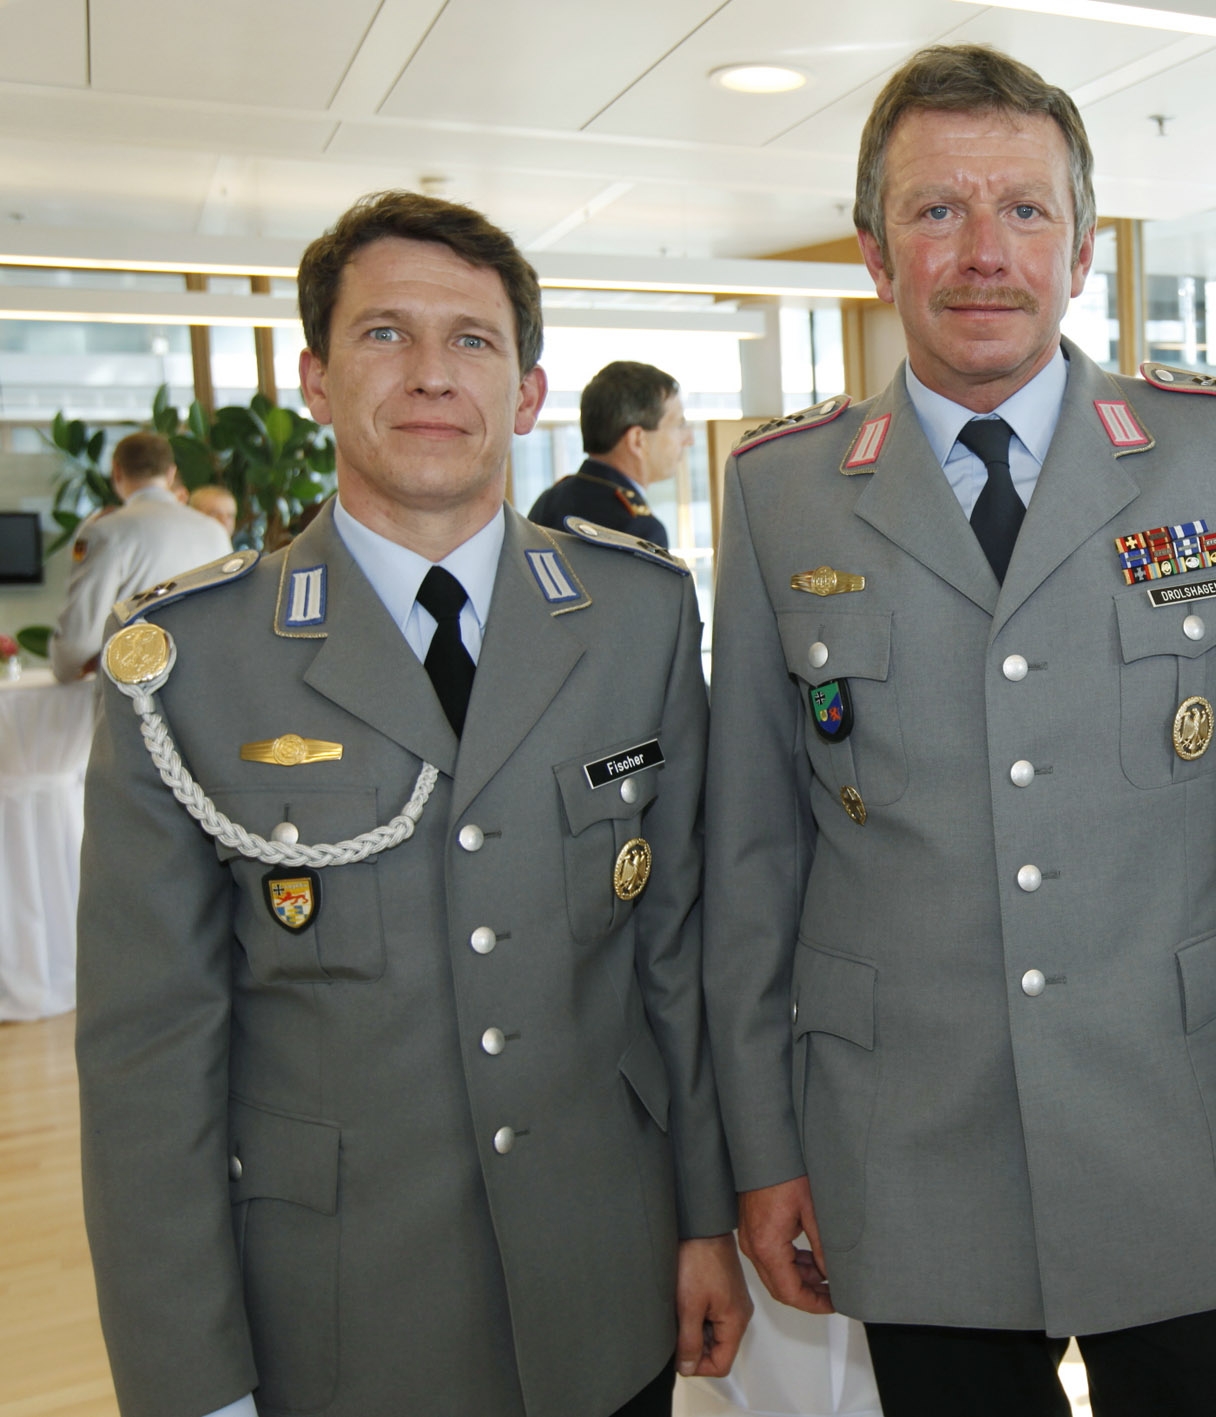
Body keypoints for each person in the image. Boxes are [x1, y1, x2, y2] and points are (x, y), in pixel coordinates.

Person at [704, 44, 1216, 1417]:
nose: (983, 252)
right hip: (906, 1137)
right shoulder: (783, 494)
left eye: (1024, 209)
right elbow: (748, 858)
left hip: (1182, 1120)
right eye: (936, 209)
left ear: (1080, 250)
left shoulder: (1213, 455)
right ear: (873, 249)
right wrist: (760, 1141)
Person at [74, 190, 750, 1417]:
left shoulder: (638, 617)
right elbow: (148, 1061)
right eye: (385, 334)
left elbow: (672, 954)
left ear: (527, 394)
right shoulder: (190, 662)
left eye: (471, 340)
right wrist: (189, 1384)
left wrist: (706, 1217)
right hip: (340, 1322)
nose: (432, 373)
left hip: (603, 1287)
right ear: (317, 380)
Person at [49, 431, 231, 679]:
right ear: (171, 473)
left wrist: (64, 669)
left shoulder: (105, 531)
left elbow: (81, 634)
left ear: (117, 471)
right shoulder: (214, 531)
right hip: (206, 678)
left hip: (133, 686)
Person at [530, 360, 691, 548]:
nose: (689, 439)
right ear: (637, 440)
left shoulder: (549, 502)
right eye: (679, 424)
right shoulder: (640, 530)